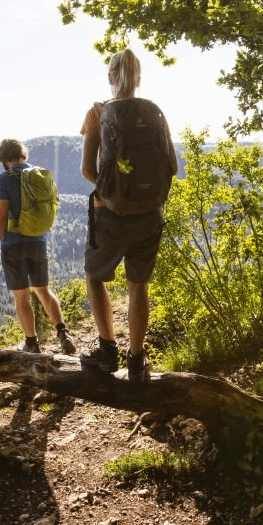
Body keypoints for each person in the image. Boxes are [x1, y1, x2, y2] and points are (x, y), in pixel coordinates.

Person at [78, 48, 178, 382]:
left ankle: (107, 350)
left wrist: (111, 195)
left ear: (111, 76)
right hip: (150, 215)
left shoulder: (97, 112)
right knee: (139, 286)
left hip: (109, 215)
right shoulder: (156, 112)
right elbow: (172, 166)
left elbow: (86, 170)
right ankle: (137, 360)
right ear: (138, 78)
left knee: (95, 276)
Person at [0, 138, 78, 355]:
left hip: (13, 243)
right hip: (38, 240)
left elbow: (0, 217)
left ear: (2, 158)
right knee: (44, 290)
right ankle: (63, 333)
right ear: (22, 154)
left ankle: (32, 343)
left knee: (21, 296)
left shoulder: (5, 179)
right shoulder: (40, 175)